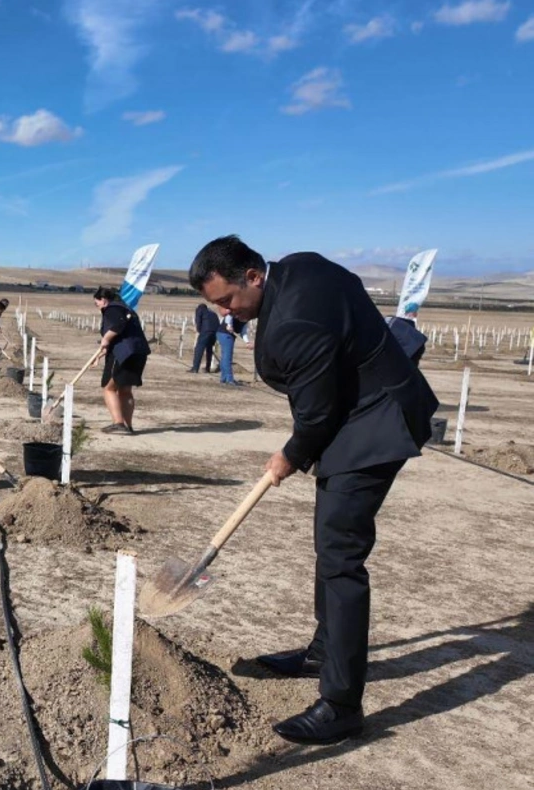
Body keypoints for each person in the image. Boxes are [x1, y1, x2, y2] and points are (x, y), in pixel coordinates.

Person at [188, 235, 439, 746]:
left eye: (227, 300)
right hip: (360, 412)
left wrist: (290, 455)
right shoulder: (300, 265)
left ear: (253, 276)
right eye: (215, 305)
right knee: (330, 543)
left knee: (341, 555)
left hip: (375, 425)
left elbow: (318, 414)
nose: (224, 313)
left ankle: (341, 704)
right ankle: (324, 651)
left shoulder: (292, 324)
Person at [93, 287, 150, 434]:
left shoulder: (112, 309)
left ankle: (118, 423)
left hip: (123, 354)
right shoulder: (126, 309)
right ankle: (128, 426)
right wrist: (102, 353)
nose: (97, 306)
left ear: (103, 300)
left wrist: (106, 339)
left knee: (109, 388)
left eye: (96, 303)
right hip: (139, 352)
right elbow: (123, 332)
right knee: (125, 390)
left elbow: (118, 325)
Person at [190, 302, 219, 373]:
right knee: (209, 350)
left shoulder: (200, 310)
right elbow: (217, 323)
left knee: (199, 349)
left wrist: (199, 330)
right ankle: (207, 368)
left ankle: (195, 368)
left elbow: (198, 321)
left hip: (205, 331)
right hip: (214, 333)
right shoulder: (213, 313)